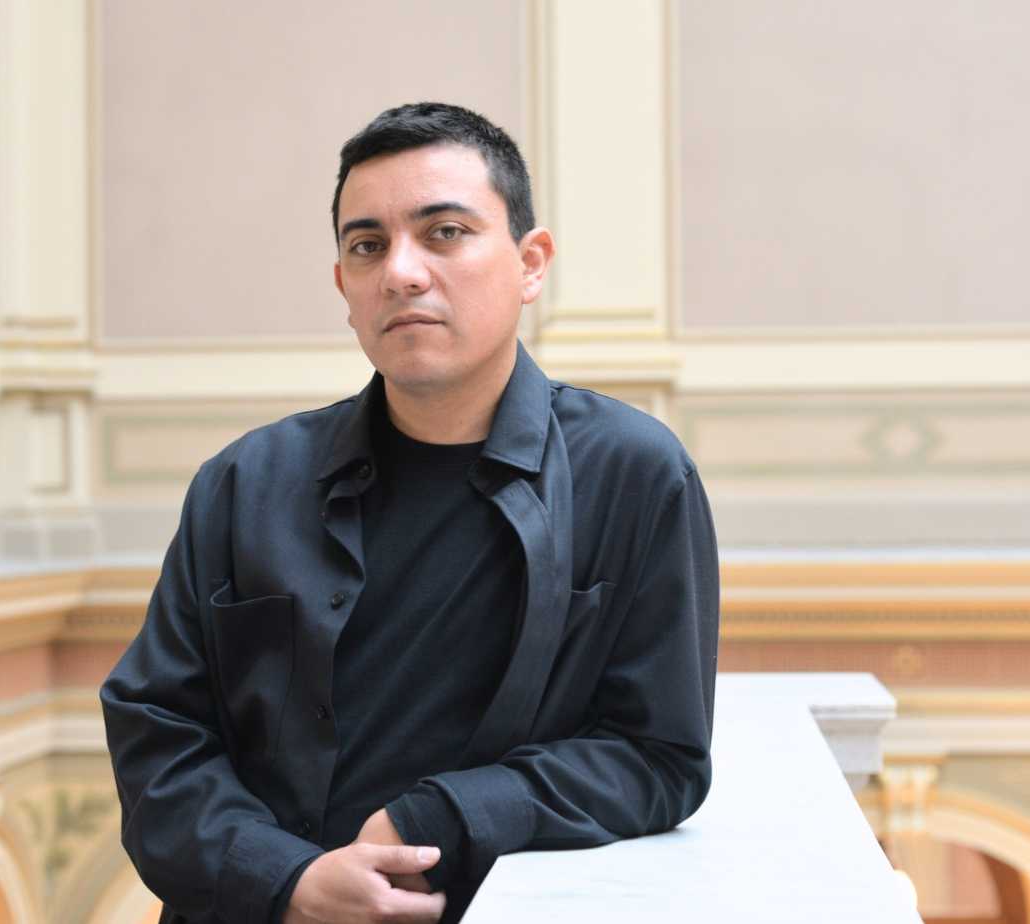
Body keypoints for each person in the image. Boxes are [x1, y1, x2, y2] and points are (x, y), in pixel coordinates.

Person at [101, 101, 719, 924]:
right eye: (367, 246)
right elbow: (158, 733)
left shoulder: (634, 473)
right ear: (344, 287)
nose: (401, 272)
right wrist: (288, 882)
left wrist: (439, 818)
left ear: (531, 263)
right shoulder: (244, 481)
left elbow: (657, 756)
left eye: (444, 233)